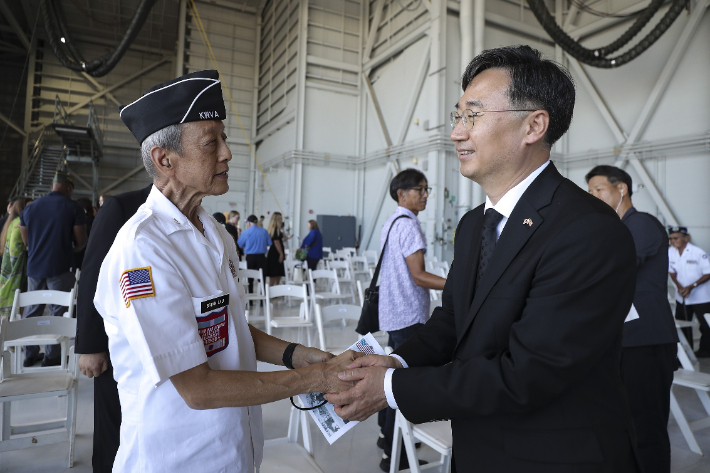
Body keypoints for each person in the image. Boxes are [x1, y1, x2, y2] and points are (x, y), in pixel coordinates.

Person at [327, 45, 641, 472]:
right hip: (479, 448)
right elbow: (454, 319)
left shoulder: (588, 230)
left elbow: (527, 375)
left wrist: (391, 387)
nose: (457, 132)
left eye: (472, 116)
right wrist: (397, 361)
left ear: (533, 125)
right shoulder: (476, 224)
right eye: (458, 117)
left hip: (554, 456)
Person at [94, 70, 356, 471]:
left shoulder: (214, 233)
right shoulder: (144, 249)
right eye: (210, 142)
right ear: (165, 160)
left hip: (233, 451)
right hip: (180, 458)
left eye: (224, 138)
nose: (227, 153)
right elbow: (197, 389)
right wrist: (317, 379)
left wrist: (297, 356)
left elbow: (225, 327)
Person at [587, 165, 678, 473]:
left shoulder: (642, 224)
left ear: (621, 188)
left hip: (647, 340)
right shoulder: (614, 228)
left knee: (646, 425)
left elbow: (611, 268)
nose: (593, 196)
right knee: (622, 422)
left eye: (598, 189)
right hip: (622, 340)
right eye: (589, 191)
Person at [76, 184, 152, 473]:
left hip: (169, 349)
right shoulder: (121, 207)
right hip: (120, 347)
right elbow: (94, 274)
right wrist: (90, 345)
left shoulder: (199, 218)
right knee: (116, 434)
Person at [377, 168, 447, 471]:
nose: (425, 195)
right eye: (419, 189)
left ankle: (386, 437)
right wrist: (455, 283)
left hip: (392, 313)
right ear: (401, 193)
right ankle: (397, 455)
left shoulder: (391, 223)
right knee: (401, 386)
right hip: (408, 314)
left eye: (426, 189)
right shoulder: (410, 225)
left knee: (390, 374)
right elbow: (419, 276)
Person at [20, 171, 87, 367]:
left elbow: (26, 240)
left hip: (34, 267)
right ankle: (52, 356)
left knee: (32, 310)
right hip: (60, 265)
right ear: (68, 187)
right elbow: (81, 240)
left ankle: (29, 354)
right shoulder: (73, 207)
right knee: (58, 310)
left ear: (53, 185)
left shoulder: (30, 209)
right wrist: (72, 248)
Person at [668, 226, 710, 357]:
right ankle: (686, 353)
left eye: (676, 238)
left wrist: (691, 286)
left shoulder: (698, 252)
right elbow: (672, 272)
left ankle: (705, 351)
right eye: (670, 238)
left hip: (701, 297)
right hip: (682, 297)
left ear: (686, 238)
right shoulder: (670, 252)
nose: (673, 241)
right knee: (682, 324)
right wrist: (680, 287)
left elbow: (708, 273)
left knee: (705, 325)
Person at [0, 197, 29, 318]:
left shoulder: (11, 222)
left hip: (7, 267)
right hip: (17, 268)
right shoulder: (19, 224)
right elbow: (16, 249)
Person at [238, 214, 272, 293]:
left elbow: (240, 244)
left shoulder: (246, 232)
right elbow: (269, 243)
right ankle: (262, 297)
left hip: (250, 258)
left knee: (250, 277)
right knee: (262, 278)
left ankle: (250, 298)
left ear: (249, 223)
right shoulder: (264, 231)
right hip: (262, 257)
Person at [265, 212, 285, 286]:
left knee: (275, 273)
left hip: (273, 252)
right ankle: (273, 290)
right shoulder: (276, 229)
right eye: (280, 218)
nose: (281, 220)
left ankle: (275, 289)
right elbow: (276, 242)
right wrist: (281, 254)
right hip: (276, 253)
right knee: (275, 273)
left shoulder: (272, 229)